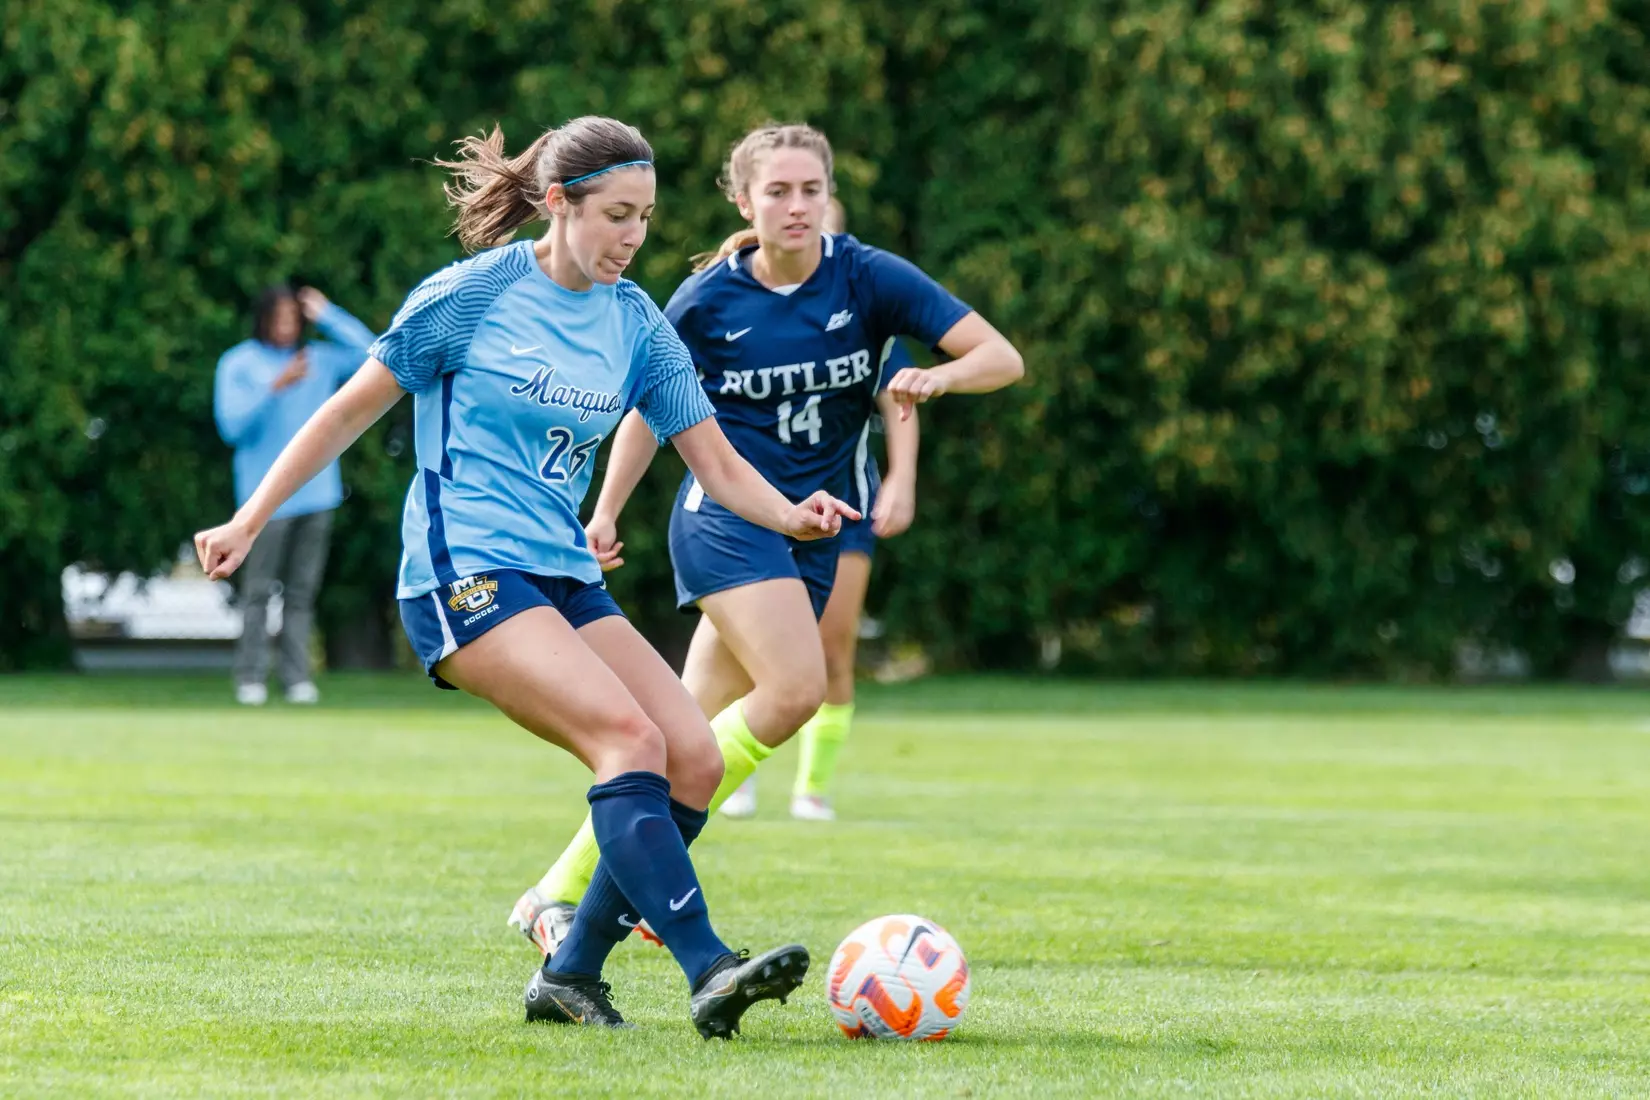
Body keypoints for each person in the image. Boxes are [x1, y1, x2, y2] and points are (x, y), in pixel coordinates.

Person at [192, 116, 859, 1038]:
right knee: (629, 742)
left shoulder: (638, 327)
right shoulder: (470, 297)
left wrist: (793, 514)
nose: (633, 237)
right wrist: (249, 517)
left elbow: (717, 467)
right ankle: (710, 967)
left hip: (562, 575)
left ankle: (571, 973)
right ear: (557, 203)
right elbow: (345, 414)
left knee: (694, 756)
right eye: (617, 215)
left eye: (647, 218)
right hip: (462, 570)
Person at [510, 122, 1024, 959]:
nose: (796, 206)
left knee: (688, 735)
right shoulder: (710, 298)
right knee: (794, 691)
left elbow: (1001, 357)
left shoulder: (868, 278)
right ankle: (641, 890)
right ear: (743, 202)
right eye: (777, 192)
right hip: (726, 521)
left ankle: (556, 894)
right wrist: (605, 511)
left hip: (818, 534)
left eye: (810, 190)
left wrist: (940, 374)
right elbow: (649, 403)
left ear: (829, 196)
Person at [720, 196, 918, 822]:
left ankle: (812, 789)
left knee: (831, 651)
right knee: (756, 653)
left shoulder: (863, 304)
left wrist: (900, 481)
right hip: (755, 510)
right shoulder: (729, 303)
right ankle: (734, 774)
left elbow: (898, 398)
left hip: (844, 507)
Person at [213, 285, 375, 706]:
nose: (286, 326)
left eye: (293, 318)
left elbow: (374, 355)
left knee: (302, 595)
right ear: (263, 319)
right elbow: (230, 427)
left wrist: (328, 314)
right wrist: (274, 388)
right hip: (261, 503)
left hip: (318, 495)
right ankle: (250, 678)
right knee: (257, 593)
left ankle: (296, 679)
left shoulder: (318, 360)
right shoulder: (239, 363)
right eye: (278, 318)